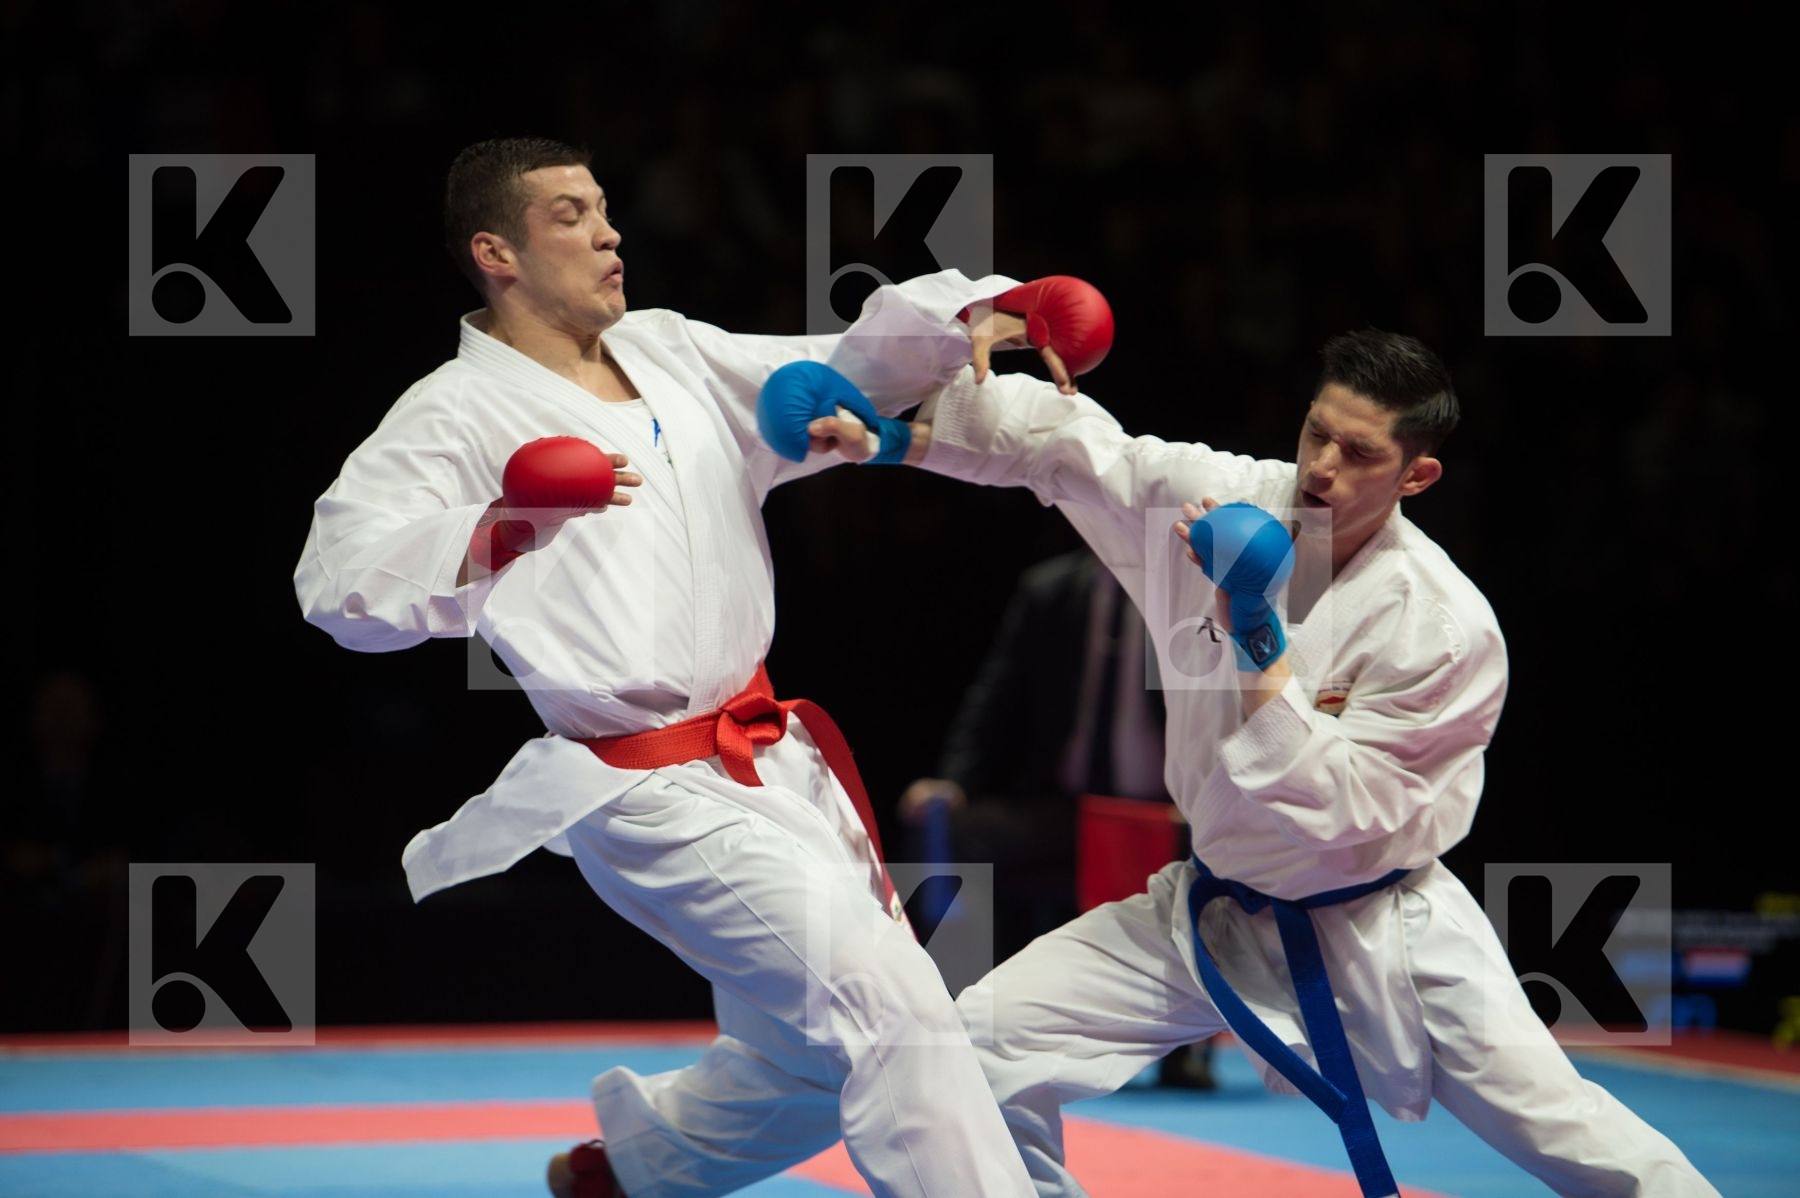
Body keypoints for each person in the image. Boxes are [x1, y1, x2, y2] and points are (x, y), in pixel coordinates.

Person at [805, 298, 1719, 1196]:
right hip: (1206, 907)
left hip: (1376, 924)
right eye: (1317, 433)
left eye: (1359, 453)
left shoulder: (1442, 629)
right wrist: (895, 435)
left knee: (1573, 1137)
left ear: (1416, 477)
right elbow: (1072, 451)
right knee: (973, 1053)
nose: (1322, 466)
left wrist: (1256, 634)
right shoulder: (1223, 500)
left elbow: (1345, 805)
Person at [293, 137, 1045, 1198]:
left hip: (769, 761)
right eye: (570, 214)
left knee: (814, 1050)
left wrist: (980, 315)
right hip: (640, 783)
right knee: (897, 1007)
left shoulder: (671, 350)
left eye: (605, 207)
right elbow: (335, 586)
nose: (608, 232)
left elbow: (829, 370)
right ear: (495, 251)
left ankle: (635, 1170)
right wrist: (502, 527)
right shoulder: (450, 413)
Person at [894, 545, 1220, 1090]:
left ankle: (1184, 1050)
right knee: (949, 829)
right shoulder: (1050, 590)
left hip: (1170, 814)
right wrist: (954, 781)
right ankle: (961, 1025)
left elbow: (1225, 704)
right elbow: (995, 697)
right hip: (1067, 810)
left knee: (1220, 852)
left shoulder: (1195, 598)